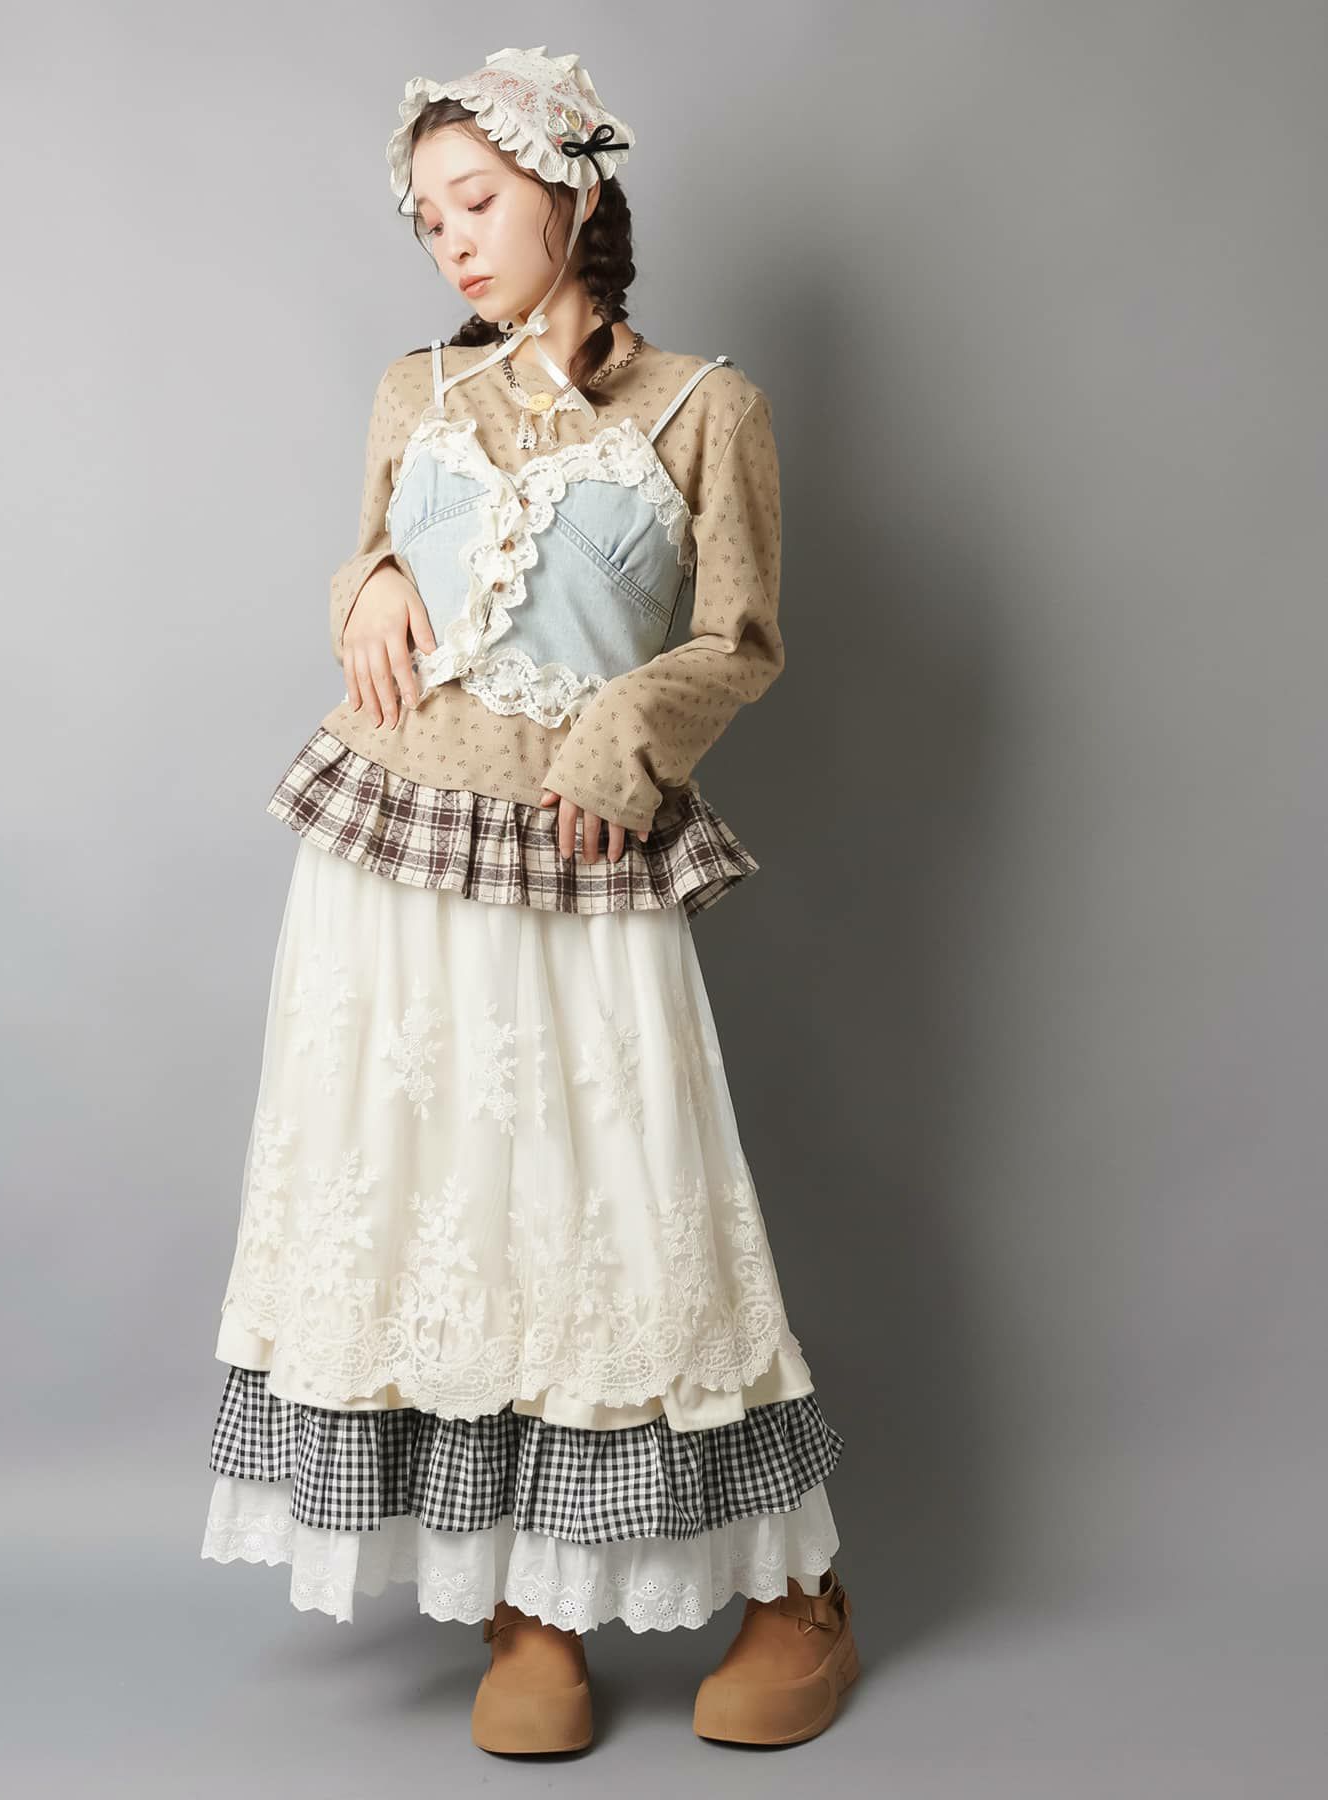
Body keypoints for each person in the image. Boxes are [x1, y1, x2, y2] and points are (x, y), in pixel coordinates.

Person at [199, 44, 860, 1754]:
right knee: (443, 1212)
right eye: (428, 219)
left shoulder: (707, 408)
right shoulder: (414, 388)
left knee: (626, 1207)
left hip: (577, 857)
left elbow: (738, 639)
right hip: (388, 849)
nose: (453, 242)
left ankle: (797, 1592)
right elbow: (375, 559)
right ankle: (526, 1609)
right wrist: (362, 586)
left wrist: (629, 735)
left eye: (477, 202)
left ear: (572, 188)